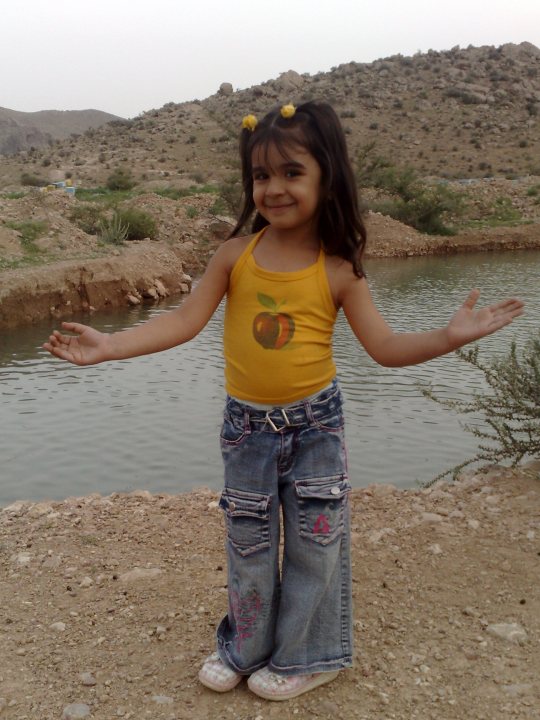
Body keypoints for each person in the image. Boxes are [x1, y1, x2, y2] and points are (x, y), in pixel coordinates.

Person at [44, 101, 524, 702]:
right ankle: (244, 648)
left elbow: (385, 348)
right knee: (247, 544)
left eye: (291, 172)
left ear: (327, 176)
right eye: (261, 175)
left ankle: (308, 655)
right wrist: (111, 345)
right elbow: (184, 323)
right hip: (246, 430)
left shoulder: (339, 269)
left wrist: (447, 338)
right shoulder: (233, 256)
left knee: (314, 545)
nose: (273, 188)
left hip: (316, 427)